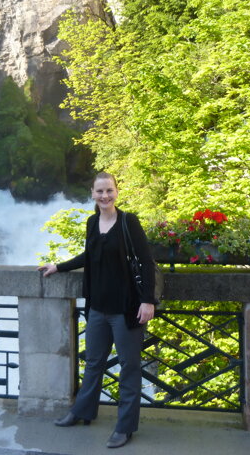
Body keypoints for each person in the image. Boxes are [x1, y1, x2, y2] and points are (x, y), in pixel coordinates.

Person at [38, 172, 156, 449]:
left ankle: (124, 427)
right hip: (97, 308)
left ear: (117, 191)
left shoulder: (129, 222)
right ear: (91, 193)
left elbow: (146, 262)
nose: (105, 196)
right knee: (93, 363)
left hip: (126, 310)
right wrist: (59, 266)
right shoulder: (92, 222)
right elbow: (89, 256)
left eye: (109, 191)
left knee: (129, 367)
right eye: (99, 191)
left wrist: (148, 301)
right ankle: (82, 411)